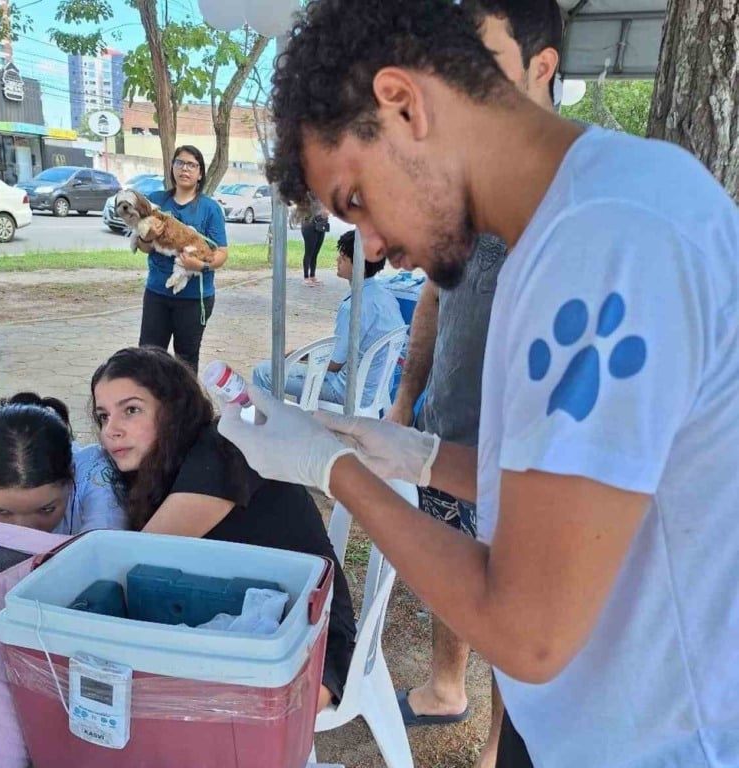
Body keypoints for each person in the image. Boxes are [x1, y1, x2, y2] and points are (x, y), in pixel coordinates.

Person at [217, 2, 739, 768]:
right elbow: (588, 486)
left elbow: (526, 630)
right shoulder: (573, 226)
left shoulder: (605, 243)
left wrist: (336, 474)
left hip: (665, 740)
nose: (373, 247)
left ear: (402, 104)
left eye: (355, 200)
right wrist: (421, 457)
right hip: (602, 722)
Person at [385, 1, 562, 762]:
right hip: (446, 425)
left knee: (515, 600)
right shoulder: (463, 178)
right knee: (449, 570)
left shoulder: (573, 193)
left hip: (526, 453)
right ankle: (444, 684)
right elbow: (432, 292)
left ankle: (497, 748)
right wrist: (403, 396)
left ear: (540, 66)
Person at [91, 346, 356, 712]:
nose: (111, 431)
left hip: (308, 641)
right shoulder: (161, 468)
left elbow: (133, 562)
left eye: (131, 410)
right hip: (237, 626)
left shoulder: (221, 448)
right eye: (103, 416)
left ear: (172, 411)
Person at [253, 229, 404, 407]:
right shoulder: (387, 297)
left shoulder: (354, 306)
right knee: (294, 366)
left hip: (346, 391)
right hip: (376, 387)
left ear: (358, 265)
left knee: (264, 372)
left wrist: (299, 356)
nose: (337, 261)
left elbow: (334, 364)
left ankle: (268, 427)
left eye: (343, 258)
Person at [0, 392, 127, 534]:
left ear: (71, 472)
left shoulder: (94, 471)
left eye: (46, 510)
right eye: (2, 511)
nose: (25, 532)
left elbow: (105, 541)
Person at [137, 145, 228, 374]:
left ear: (200, 173)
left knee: (185, 359)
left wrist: (202, 265)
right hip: (157, 292)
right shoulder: (156, 202)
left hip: (194, 298)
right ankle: (150, 405)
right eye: (179, 163)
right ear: (172, 167)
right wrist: (148, 236)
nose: (184, 169)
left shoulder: (209, 208)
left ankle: (185, 407)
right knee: (148, 356)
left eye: (191, 165)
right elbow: (144, 248)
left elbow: (221, 252)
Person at [301, 196, 329, 285]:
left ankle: (312, 275)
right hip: (310, 225)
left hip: (321, 225)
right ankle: (306, 277)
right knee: (309, 252)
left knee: (315, 252)